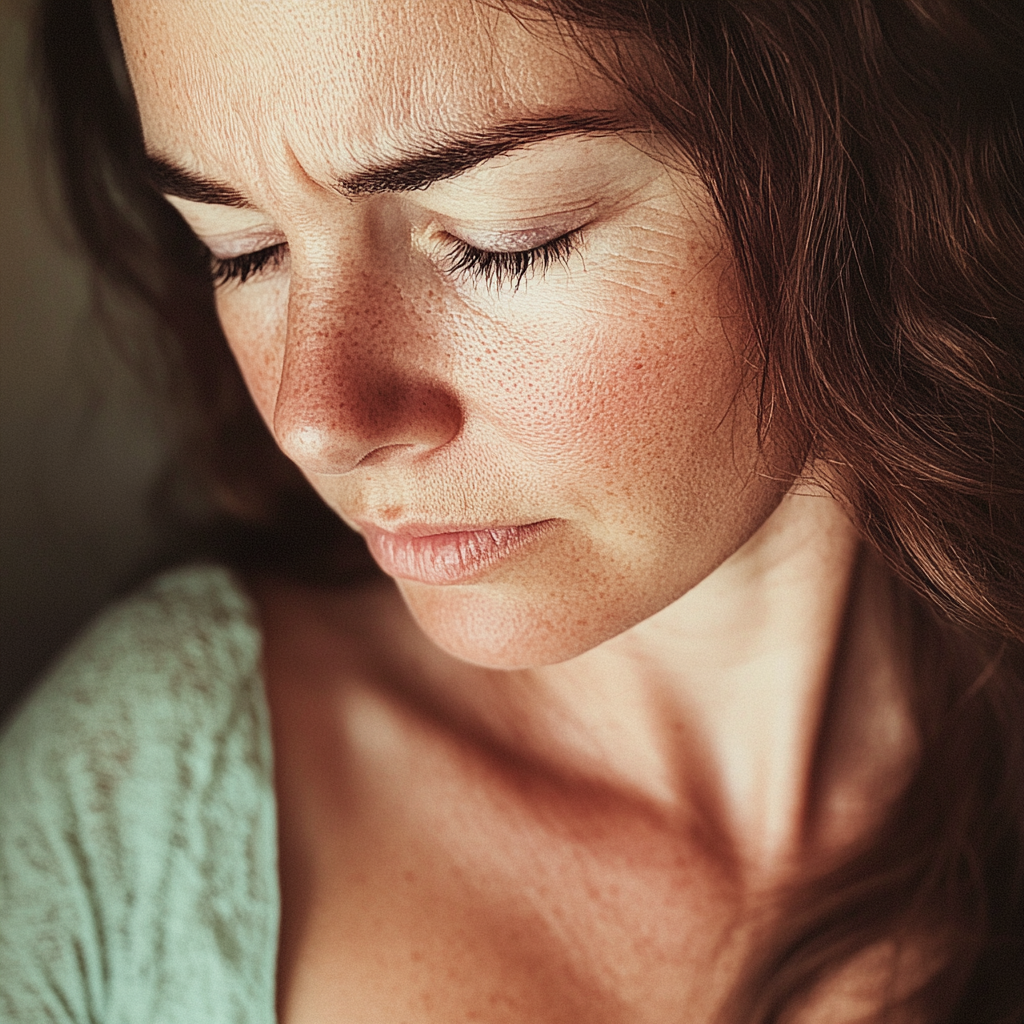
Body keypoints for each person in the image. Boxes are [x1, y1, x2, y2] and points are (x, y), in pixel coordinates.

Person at [2, 0, 1021, 1020]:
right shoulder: (119, 819)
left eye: (502, 242)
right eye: (242, 250)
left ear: (878, 156)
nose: (318, 419)